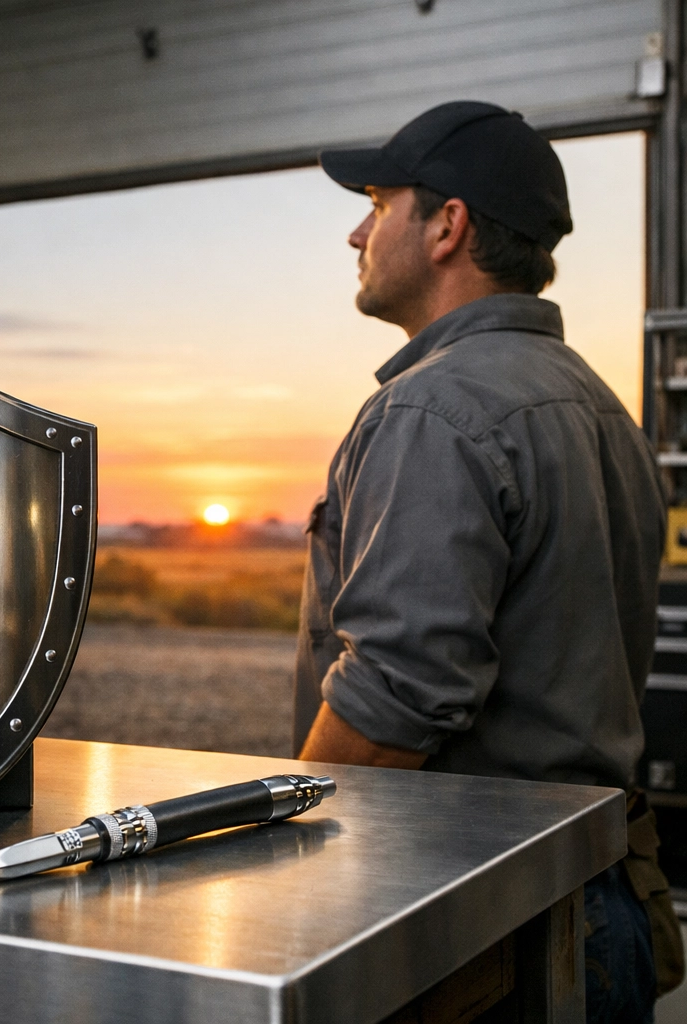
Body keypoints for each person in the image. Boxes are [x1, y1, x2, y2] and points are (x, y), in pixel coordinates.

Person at [292, 100, 683, 1023]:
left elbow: (397, 696)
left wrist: (291, 843)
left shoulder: (433, 410)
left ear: (447, 226)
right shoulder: (598, 406)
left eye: (379, 202)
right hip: (597, 899)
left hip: (481, 930)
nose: (356, 228)